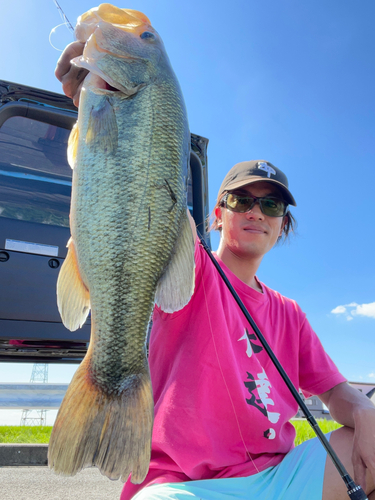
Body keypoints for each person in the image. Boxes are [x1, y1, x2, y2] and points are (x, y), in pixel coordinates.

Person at [56, 42, 375, 500]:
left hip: (281, 475)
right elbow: (140, 194)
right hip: (186, 486)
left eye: (270, 204)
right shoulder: (191, 265)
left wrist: (364, 415)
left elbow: (336, 391)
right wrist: (98, 117)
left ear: (282, 225)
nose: (255, 211)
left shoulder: (290, 314)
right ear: (216, 215)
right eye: (240, 199)